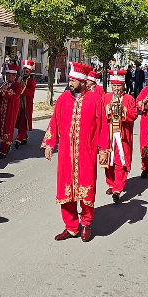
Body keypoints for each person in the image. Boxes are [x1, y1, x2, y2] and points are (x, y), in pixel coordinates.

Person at [42, 61, 109, 242]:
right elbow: (54, 122)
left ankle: (86, 223)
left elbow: (103, 125)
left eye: (73, 80)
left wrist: (104, 148)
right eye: (70, 80)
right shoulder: (63, 99)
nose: (70, 83)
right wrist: (49, 143)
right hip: (66, 153)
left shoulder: (95, 99)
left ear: (82, 82)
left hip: (86, 152)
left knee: (86, 189)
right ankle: (71, 227)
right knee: (66, 190)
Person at [103, 70, 138, 203]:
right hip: (109, 134)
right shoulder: (106, 98)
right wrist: (108, 109)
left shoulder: (129, 99)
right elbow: (100, 114)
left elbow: (134, 115)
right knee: (108, 160)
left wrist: (123, 109)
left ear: (124, 86)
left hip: (123, 135)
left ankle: (118, 188)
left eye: (119, 86)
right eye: (114, 85)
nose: (116, 88)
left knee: (120, 161)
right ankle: (110, 183)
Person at [0, 64, 22, 159]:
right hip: (1, 109)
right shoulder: (3, 84)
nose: (8, 77)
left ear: (14, 76)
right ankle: (6, 145)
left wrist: (6, 90)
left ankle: (3, 151)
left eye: (10, 75)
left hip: (10, 110)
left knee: (7, 129)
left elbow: (15, 96)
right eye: (7, 75)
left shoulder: (17, 86)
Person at [13, 59, 37, 148]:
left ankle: (18, 139)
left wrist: (22, 89)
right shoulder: (19, 79)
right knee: (19, 122)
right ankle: (24, 137)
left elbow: (31, 93)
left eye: (27, 71)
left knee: (23, 121)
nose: (25, 73)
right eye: (24, 71)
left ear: (30, 72)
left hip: (26, 105)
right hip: (19, 104)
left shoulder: (32, 82)